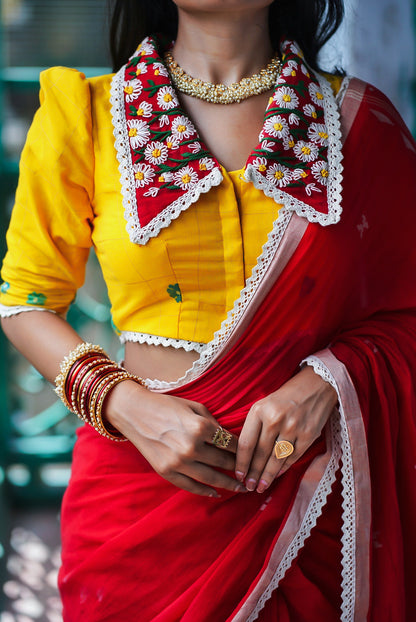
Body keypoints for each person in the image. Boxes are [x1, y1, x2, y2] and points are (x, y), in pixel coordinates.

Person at [1, 0, 415, 619]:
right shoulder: (84, 116)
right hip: (138, 506)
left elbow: (406, 310)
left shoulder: (357, 124)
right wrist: (126, 405)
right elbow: (24, 303)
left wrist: (326, 384)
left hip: (312, 496)